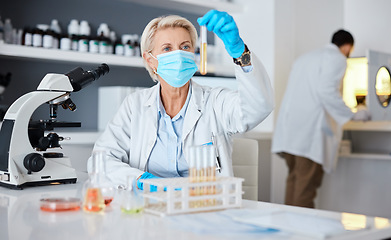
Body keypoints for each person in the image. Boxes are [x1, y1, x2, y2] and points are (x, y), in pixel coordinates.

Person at [88, 10, 274, 189]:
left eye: (185, 47)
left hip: (203, 208)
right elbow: (101, 160)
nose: (178, 54)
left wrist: (240, 52)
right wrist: (140, 181)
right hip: (150, 208)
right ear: (150, 59)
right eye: (167, 48)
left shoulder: (215, 102)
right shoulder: (134, 105)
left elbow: (259, 106)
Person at [272, 29, 364, 208]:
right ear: (347, 47)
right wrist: (351, 114)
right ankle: (303, 235)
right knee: (305, 188)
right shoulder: (337, 58)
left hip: (289, 130)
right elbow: (326, 91)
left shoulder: (305, 58)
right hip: (309, 133)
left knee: (294, 180)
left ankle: (289, 233)